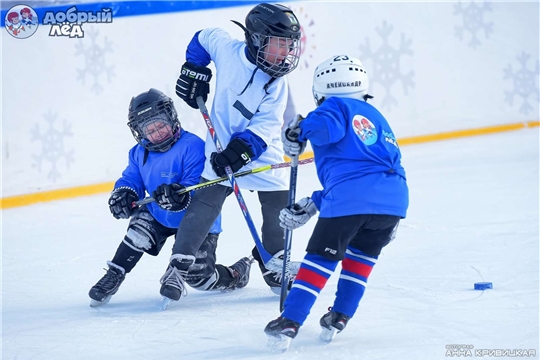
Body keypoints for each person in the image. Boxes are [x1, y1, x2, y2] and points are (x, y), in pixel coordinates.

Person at [155, 3, 302, 300]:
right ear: (257, 39)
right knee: (205, 201)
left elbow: (264, 127)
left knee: (278, 208)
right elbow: (202, 37)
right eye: (279, 45)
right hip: (218, 146)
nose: (285, 53)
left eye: (289, 45)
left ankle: (274, 262)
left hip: (261, 152)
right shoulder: (227, 49)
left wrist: (239, 154)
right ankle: (179, 263)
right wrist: (194, 68)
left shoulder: (277, 83)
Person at [264, 55, 409, 347]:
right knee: (361, 261)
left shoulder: (334, 105)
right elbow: (365, 171)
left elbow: (325, 128)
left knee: (320, 260)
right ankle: (340, 316)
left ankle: (290, 321)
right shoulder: (375, 116)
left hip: (350, 200)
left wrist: (298, 130)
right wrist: (316, 202)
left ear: (321, 91)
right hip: (393, 202)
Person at [88, 88, 253, 307]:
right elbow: (131, 178)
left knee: (199, 278)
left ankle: (234, 275)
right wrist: (125, 193)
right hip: (159, 213)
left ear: (172, 118)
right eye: (150, 130)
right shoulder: (138, 153)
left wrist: (181, 195)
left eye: (161, 125)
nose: (158, 133)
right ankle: (115, 273)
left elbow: (198, 184)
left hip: (198, 221)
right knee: (139, 229)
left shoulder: (193, 146)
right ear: (139, 132)